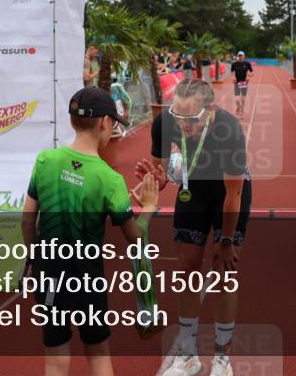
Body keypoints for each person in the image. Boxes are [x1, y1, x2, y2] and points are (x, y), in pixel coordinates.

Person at [22, 87, 159, 376]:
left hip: (48, 273)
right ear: (104, 123)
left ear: (73, 121)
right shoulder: (109, 179)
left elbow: (26, 218)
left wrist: (32, 258)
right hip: (87, 279)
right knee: (98, 355)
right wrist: (149, 206)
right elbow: (136, 238)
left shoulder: (45, 161)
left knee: (55, 358)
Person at [135, 78, 250, 376]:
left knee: (225, 273)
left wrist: (226, 241)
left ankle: (223, 357)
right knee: (187, 268)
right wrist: (155, 182)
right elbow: (160, 174)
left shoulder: (230, 130)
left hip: (228, 193)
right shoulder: (165, 123)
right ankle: (188, 355)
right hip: (192, 190)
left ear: (210, 109)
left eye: (192, 119)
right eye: (179, 116)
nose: (183, 125)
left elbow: (233, 194)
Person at [230, 51, 254, 116]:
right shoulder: (234, 64)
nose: (240, 57)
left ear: (244, 56)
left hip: (244, 83)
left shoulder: (247, 63)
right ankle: (238, 107)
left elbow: (252, 72)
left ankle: (242, 112)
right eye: (239, 55)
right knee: (237, 100)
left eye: (241, 55)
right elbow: (232, 72)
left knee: (243, 99)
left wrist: (248, 76)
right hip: (237, 83)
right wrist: (233, 77)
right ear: (238, 56)